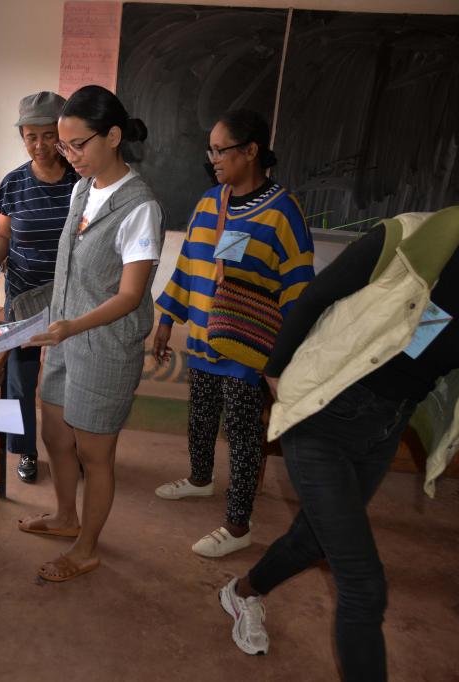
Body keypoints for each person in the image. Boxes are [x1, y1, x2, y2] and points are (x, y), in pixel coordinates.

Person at [218, 172, 459, 680]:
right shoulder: (409, 237)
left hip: (386, 426)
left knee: (314, 540)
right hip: (324, 409)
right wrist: (276, 379)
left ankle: (241, 592)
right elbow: (316, 296)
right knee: (364, 584)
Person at [153, 110, 315, 557]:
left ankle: (238, 524)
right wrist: (166, 320)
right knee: (201, 415)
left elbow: (298, 285)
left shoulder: (283, 211)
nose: (213, 159)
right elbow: (188, 263)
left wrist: (285, 353)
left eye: (220, 150)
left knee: (243, 434)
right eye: (210, 151)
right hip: (203, 337)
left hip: (247, 346)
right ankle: (200, 479)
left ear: (251, 151)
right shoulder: (209, 203)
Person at [22, 85, 163, 582]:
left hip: (104, 345)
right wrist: (47, 321)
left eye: (78, 144)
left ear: (114, 136)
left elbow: (129, 295)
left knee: (94, 454)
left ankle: (86, 549)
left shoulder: (140, 207)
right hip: (66, 336)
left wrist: (71, 326)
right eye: (65, 146)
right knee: (55, 435)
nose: (70, 156)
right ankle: (66, 516)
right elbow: (70, 269)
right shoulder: (82, 188)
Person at [0, 91, 79, 483]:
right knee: (20, 376)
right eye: (31, 137)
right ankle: (26, 450)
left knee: (69, 375)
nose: (39, 145)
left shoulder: (81, 182)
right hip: (24, 294)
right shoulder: (13, 183)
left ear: (62, 135)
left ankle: (72, 449)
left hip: (70, 296)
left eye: (48, 136)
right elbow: (3, 235)